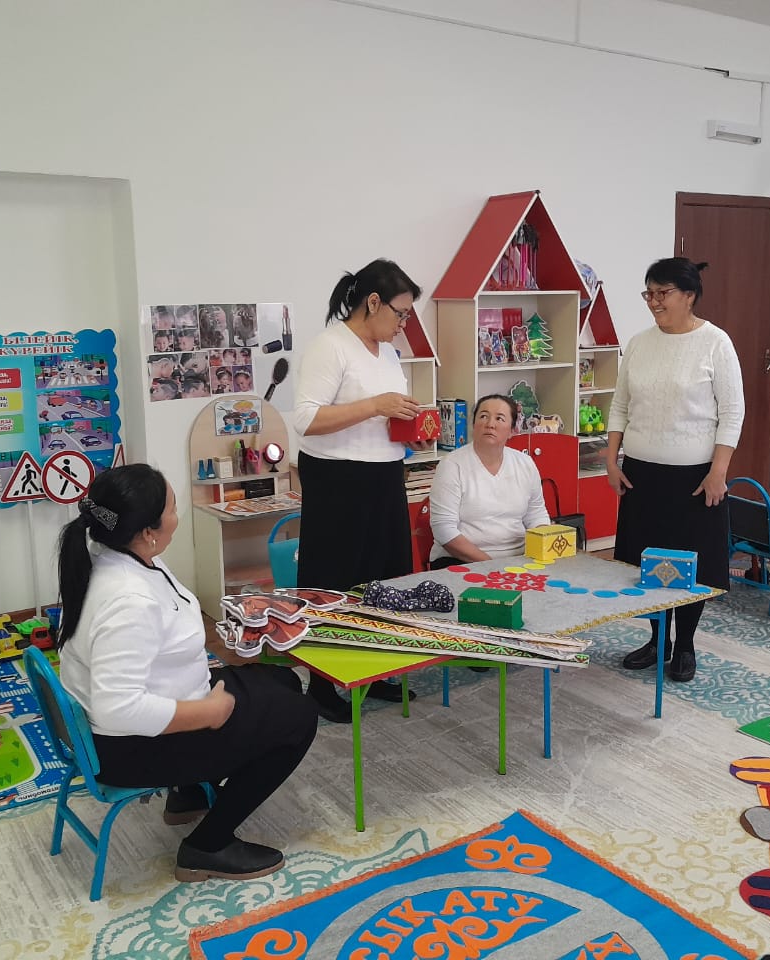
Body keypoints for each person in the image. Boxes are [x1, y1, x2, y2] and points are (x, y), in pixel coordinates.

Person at [55, 464, 317, 882]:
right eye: (173, 508)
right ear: (148, 531)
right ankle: (207, 845)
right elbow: (117, 708)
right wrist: (208, 713)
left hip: (150, 720)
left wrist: (228, 644)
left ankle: (188, 793)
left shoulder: (111, 557)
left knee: (281, 680)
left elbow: (167, 625)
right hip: (132, 749)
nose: (178, 517)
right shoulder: (129, 600)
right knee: (300, 718)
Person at [292, 258, 431, 722]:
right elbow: (306, 419)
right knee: (334, 578)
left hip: (384, 473)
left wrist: (411, 427)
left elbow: (383, 417)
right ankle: (324, 684)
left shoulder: (387, 353)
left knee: (386, 574)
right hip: (337, 478)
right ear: (373, 302)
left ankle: (377, 669)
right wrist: (375, 405)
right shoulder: (330, 346)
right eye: (400, 313)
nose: (404, 324)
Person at [606, 258, 744, 683]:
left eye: (662, 293)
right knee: (647, 563)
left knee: (690, 566)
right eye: (648, 293)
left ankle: (684, 645)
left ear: (689, 295)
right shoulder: (639, 343)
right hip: (641, 476)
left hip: (695, 479)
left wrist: (718, 471)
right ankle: (657, 640)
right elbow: (620, 405)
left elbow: (732, 413)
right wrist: (611, 459)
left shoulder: (715, 343)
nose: (654, 302)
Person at [428, 394, 548, 567]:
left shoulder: (525, 463)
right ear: (473, 425)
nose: (490, 424)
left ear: (512, 430)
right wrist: (491, 566)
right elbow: (443, 530)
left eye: (499, 418)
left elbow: (536, 515)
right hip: (461, 560)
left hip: (520, 558)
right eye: (483, 416)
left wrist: (544, 546)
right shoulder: (452, 465)